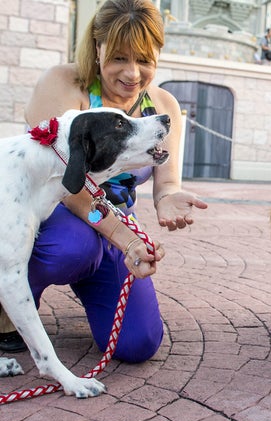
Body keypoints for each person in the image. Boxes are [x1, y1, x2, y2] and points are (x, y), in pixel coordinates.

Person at [0, 0, 209, 362]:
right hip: (59, 217)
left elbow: (166, 181)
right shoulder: (65, 84)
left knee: (138, 344)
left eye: (144, 59)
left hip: (112, 224)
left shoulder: (162, 105)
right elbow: (69, 187)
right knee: (70, 247)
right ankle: (11, 302)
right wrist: (127, 240)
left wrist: (168, 198)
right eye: (118, 58)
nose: (132, 73)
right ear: (96, 50)